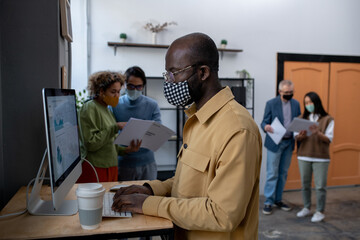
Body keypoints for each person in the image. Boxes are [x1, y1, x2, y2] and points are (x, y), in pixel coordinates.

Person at [111, 33, 262, 240]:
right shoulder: (197, 119)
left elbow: (223, 213)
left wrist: (147, 204)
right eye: (167, 75)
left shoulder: (237, 129)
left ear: (203, 72)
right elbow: (188, 184)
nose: (169, 82)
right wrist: (150, 189)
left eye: (174, 73)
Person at [77, 71, 141, 183]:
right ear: (101, 91)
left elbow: (109, 143)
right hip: (95, 167)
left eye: (118, 92)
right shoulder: (90, 108)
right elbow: (91, 144)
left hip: (110, 167)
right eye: (113, 92)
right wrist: (115, 127)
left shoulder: (107, 109)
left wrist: (127, 150)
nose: (117, 96)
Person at [111, 66, 161, 181]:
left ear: (143, 86)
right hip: (123, 163)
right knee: (123, 196)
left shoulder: (152, 105)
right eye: (131, 86)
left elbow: (158, 129)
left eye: (139, 86)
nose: (135, 90)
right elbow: (110, 131)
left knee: (149, 197)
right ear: (125, 85)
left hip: (147, 163)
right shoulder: (114, 104)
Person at [261, 80, 301, 215]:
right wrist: (266, 127)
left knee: (283, 173)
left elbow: (298, 121)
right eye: (286, 92)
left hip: (289, 142)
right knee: (272, 172)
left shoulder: (296, 104)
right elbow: (264, 122)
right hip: (275, 142)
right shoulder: (271, 103)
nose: (289, 94)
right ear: (280, 92)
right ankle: (268, 201)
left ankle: (278, 199)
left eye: (291, 92)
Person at [295, 92, 334, 222]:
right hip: (304, 156)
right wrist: (301, 136)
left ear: (316, 102)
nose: (308, 105)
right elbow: (297, 137)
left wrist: (317, 132)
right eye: (306, 103)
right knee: (305, 184)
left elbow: (328, 139)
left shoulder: (328, 119)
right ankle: (306, 207)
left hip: (321, 157)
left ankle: (320, 211)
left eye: (310, 102)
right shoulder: (302, 118)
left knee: (320, 186)